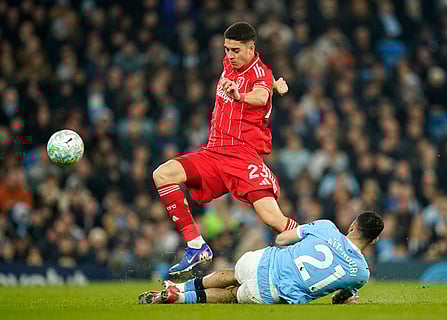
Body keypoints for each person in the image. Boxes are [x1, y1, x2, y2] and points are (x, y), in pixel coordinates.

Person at [152, 21, 296, 277]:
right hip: (214, 152)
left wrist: (244, 95)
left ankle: (320, 250)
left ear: (252, 48)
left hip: (242, 156)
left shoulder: (258, 74)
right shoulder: (230, 65)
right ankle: (196, 246)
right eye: (227, 49)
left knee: (274, 220)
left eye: (236, 50)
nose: (230, 56)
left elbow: (260, 95)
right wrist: (277, 84)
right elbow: (267, 81)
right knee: (163, 174)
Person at [139, 211, 384, 305]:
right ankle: (179, 298)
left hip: (262, 261)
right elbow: (339, 300)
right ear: (373, 241)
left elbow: (280, 239)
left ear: (352, 225)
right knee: (233, 295)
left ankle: (178, 287)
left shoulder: (326, 227)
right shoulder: (361, 273)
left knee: (234, 274)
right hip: (274, 292)